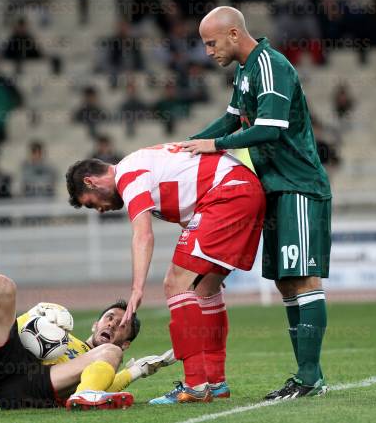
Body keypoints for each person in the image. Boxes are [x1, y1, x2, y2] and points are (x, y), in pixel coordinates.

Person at [181, 6, 332, 401]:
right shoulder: (246, 73)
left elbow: (269, 128)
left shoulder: (270, 64)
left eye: (211, 42)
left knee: (302, 277)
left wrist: (213, 146)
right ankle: (306, 375)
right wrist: (184, 147)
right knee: (286, 282)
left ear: (234, 34)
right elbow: (230, 121)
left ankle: (310, 376)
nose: (208, 50)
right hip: (274, 188)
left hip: (297, 184)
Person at [66, 142, 266, 404]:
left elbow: (143, 235)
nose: (100, 210)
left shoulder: (129, 175)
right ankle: (215, 382)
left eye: (92, 204)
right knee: (206, 288)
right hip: (239, 190)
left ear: (91, 182)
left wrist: (137, 288)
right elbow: (189, 197)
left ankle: (195, 385)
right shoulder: (141, 164)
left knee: (175, 284)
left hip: (229, 193)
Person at [0, 274, 175, 411]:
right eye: (111, 317)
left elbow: (106, 378)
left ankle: (86, 397)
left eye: (121, 327)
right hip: (1, 368)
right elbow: (18, 331)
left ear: (126, 344)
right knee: (1, 285)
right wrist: (35, 313)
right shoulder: (60, 329)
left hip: (35, 387)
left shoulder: (105, 358)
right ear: (95, 323)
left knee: (107, 354)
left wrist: (136, 372)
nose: (113, 324)